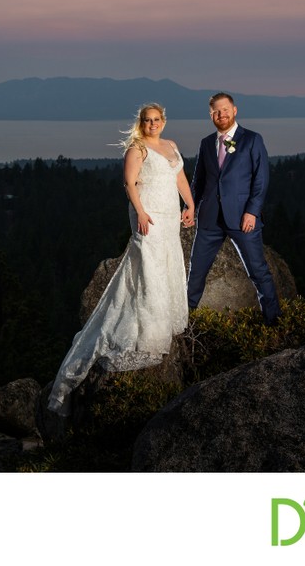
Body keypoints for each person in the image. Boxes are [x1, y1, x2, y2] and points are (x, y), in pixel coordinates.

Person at [47, 103, 195, 416]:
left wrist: (190, 205)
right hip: (148, 213)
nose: (152, 124)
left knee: (167, 260)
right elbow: (129, 183)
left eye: (157, 120)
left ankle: (164, 318)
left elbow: (180, 177)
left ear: (163, 122)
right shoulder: (137, 148)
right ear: (141, 123)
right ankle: (148, 329)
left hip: (169, 214)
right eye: (147, 120)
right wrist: (141, 212)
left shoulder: (171, 146)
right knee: (148, 264)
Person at [187, 92, 281, 325]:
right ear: (210, 115)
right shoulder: (206, 143)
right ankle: (184, 321)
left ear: (234, 110)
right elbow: (198, 181)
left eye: (225, 109)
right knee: (195, 273)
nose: (221, 115)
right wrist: (190, 207)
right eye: (216, 112)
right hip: (209, 219)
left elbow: (261, 179)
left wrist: (252, 211)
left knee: (258, 272)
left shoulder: (252, 139)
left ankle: (274, 322)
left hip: (242, 218)